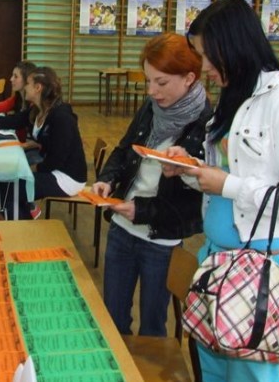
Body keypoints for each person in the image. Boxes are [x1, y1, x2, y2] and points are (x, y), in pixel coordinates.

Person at [165, 0, 279, 381]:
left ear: (234, 45)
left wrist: (230, 185)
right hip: (217, 259)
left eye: (208, 55)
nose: (204, 67)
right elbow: (225, 176)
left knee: (250, 375)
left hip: (259, 267)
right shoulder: (233, 100)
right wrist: (191, 170)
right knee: (212, 369)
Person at [91, 32, 213, 337]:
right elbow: (124, 149)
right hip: (122, 229)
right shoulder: (151, 107)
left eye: (161, 82)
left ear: (189, 78)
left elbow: (194, 204)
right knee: (113, 321)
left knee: (153, 329)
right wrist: (107, 179)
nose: (152, 91)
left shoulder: (207, 124)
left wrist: (142, 210)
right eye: (148, 81)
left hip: (161, 241)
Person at [3, 66, 87, 219]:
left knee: (13, 186)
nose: (25, 87)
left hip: (68, 178)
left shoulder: (61, 117)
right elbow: (13, 121)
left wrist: (33, 169)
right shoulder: (37, 110)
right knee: (8, 181)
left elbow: (57, 158)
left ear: (38, 88)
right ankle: (22, 216)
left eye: (27, 84)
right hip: (53, 168)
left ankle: (19, 222)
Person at [0, 60, 37, 142]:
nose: (11, 79)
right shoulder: (17, 98)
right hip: (20, 142)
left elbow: (14, 121)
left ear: (27, 80)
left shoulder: (34, 105)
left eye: (16, 76)